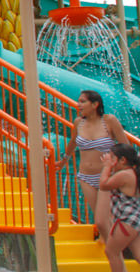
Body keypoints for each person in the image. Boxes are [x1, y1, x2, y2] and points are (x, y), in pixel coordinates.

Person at [56, 89, 128, 238]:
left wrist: (123, 168)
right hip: (85, 177)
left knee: (105, 219)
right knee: (99, 215)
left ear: (95, 104)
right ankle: (108, 245)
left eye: (83, 101)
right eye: (78, 101)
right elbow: (73, 142)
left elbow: (125, 146)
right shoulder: (78, 122)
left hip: (106, 176)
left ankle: (113, 249)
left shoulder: (109, 121)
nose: (78, 104)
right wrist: (64, 160)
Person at [100, 144, 140, 271]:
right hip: (134, 219)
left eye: (112, 158)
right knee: (138, 255)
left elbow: (104, 185)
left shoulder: (125, 174)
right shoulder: (133, 173)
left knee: (111, 252)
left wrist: (106, 167)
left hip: (127, 219)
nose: (110, 161)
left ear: (123, 160)